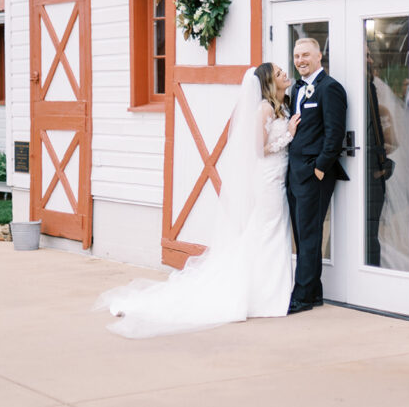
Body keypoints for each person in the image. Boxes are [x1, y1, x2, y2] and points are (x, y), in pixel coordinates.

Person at [94, 63, 300, 338]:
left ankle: (270, 290)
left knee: (269, 231)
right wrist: (289, 135)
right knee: (268, 231)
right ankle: (263, 295)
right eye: (278, 73)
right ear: (268, 83)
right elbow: (258, 150)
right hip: (267, 180)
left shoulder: (280, 105)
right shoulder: (263, 109)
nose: (284, 74)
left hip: (277, 175)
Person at [286, 37, 348, 314]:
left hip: (314, 173)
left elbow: (335, 134)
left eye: (306, 55)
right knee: (301, 234)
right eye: (297, 55)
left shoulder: (330, 88)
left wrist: (320, 168)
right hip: (294, 171)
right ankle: (315, 293)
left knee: (310, 235)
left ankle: (302, 296)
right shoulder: (298, 89)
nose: (300, 60)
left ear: (319, 56)